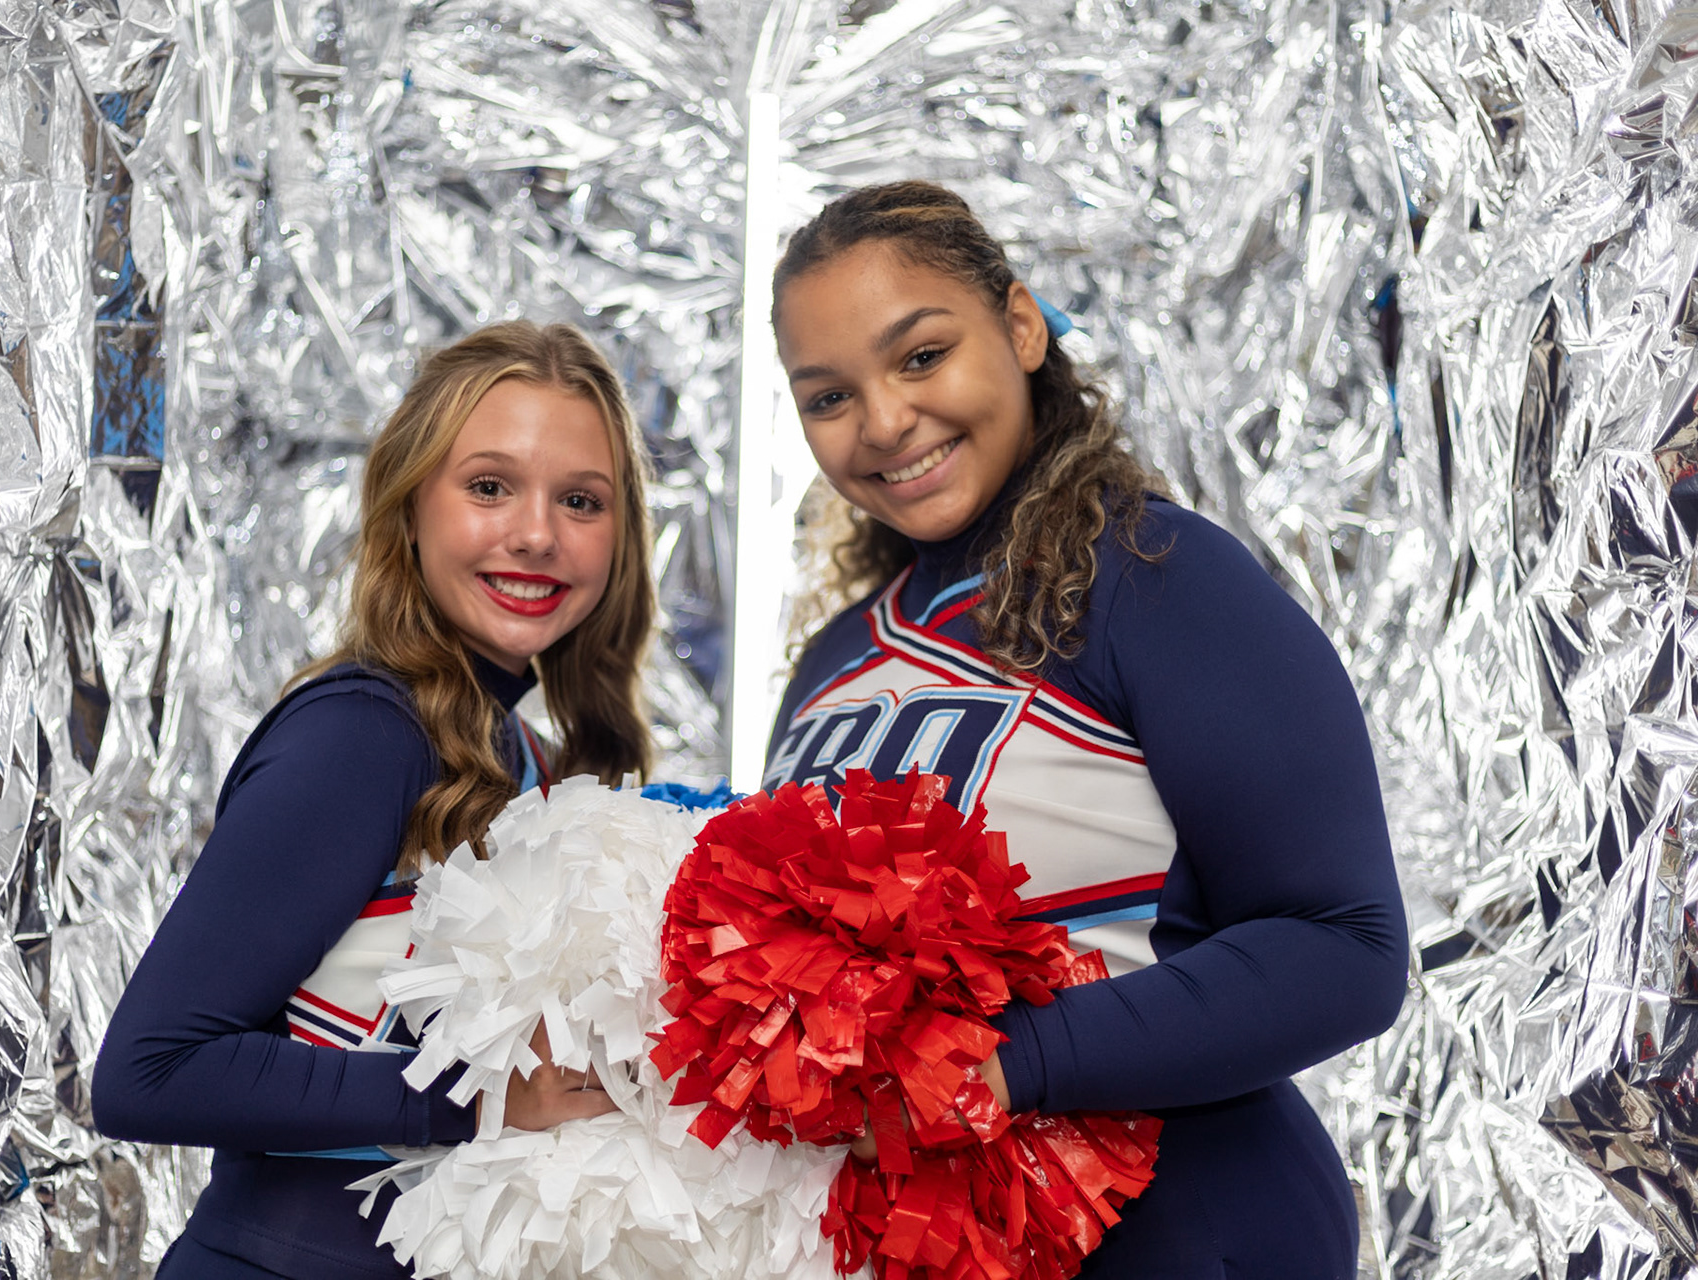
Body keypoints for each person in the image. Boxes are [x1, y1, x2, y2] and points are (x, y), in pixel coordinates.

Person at [763, 181, 1407, 1277]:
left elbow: (1344, 944)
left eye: (922, 356)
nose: (883, 422)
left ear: (1021, 328)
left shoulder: (1157, 576)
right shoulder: (830, 663)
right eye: (829, 395)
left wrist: (1009, 1063)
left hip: (1180, 1224)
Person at [92, 322, 655, 1279]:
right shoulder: (364, 732)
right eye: (489, 486)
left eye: (580, 500)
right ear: (409, 505)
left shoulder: (530, 757)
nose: (537, 533)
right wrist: (477, 1097)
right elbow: (149, 1073)